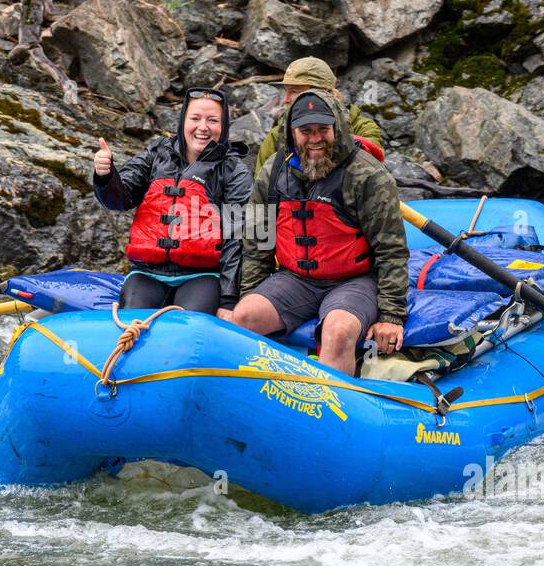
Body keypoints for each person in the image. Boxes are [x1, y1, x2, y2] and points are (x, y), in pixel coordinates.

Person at [231, 88, 409, 375]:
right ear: (292, 133)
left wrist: (391, 314)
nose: (315, 139)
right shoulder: (272, 172)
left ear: (336, 129)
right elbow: (256, 243)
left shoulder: (367, 174)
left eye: (323, 129)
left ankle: (330, 412)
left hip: (355, 281)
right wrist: (252, 292)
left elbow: (392, 251)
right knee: (244, 317)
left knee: (338, 332)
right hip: (295, 279)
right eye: (306, 130)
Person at [93, 87, 251, 315]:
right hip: (147, 273)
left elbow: (238, 238)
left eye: (213, 120)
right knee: (132, 317)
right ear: (183, 121)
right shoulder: (156, 154)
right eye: (195, 118)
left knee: (190, 324)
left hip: (203, 276)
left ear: (224, 126)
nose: (203, 127)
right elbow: (120, 199)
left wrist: (228, 300)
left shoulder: (234, 171)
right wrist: (106, 176)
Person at [253, 57, 385, 172]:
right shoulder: (277, 135)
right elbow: (262, 190)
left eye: (294, 91)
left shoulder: (362, 127)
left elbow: (370, 169)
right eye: (286, 91)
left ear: (325, 93)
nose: (285, 100)